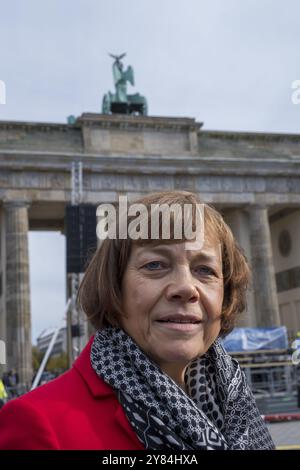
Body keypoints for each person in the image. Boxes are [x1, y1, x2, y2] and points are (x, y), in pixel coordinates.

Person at [0, 191, 275, 450]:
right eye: (155, 265)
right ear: (114, 287)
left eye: (205, 270)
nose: (186, 288)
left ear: (225, 293)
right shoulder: (38, 423)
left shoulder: (239, 409)